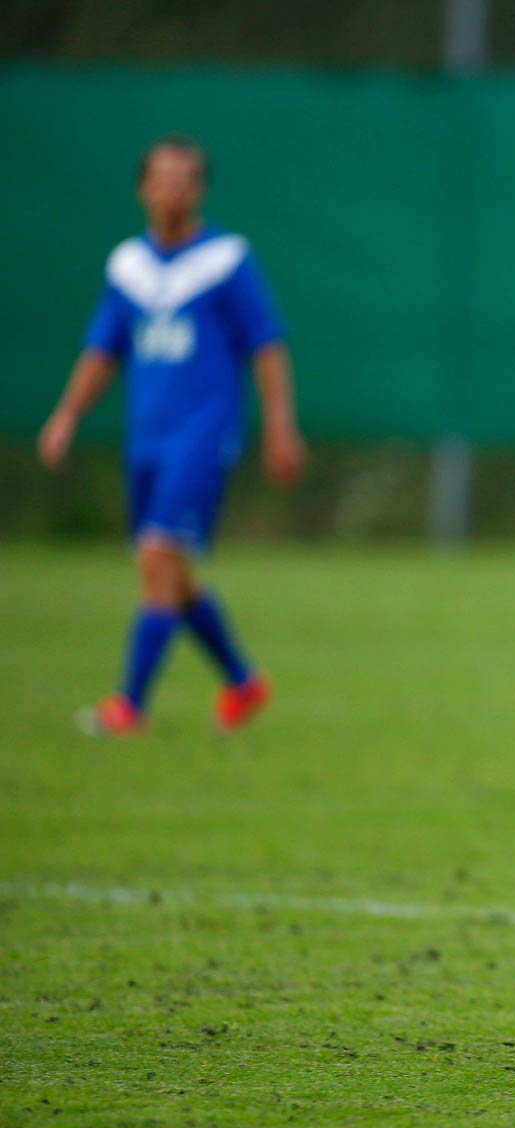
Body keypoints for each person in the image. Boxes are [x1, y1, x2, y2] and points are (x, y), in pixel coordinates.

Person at [38, 135, 305, 736]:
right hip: (148, 440)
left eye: (187, 178)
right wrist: (67, 414)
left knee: (158, 557)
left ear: (201, 190)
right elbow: (103, 350)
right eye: (163, 177)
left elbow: (266, 344)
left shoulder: (227, 261)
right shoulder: (127, 268)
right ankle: (243, 681)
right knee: (173, 578)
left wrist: (281, 425)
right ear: (142, 188)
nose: (175, 188)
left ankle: (129, 706)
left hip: (204, 436)